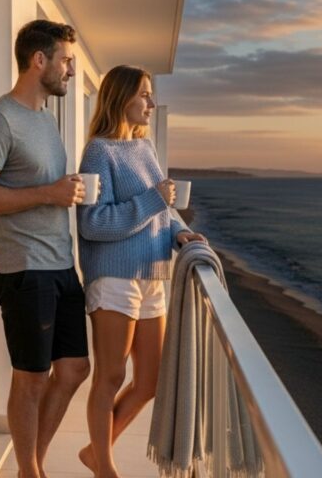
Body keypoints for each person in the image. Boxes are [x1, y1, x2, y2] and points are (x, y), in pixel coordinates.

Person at [0, 19, 91, 478]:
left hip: (59, 261)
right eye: (66, 61)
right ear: (40, 60)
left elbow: (46, 186)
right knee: (32, 375)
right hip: (22, 266)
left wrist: (62, 192)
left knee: (74, 369)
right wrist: (47, 194)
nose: (70, 71)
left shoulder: (44, 120)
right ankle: (30, 470)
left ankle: (27, 466)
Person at [75, 65, 206, 478]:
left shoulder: (145, 149)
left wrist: (182, 234)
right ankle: (105, 467)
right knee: (111, 376)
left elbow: (164, 213)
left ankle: (95, 452)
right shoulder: (99, 150)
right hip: (114, 276)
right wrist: (153, 201)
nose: (151, 103)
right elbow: (92, 223)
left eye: (151, 95)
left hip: (154, 275)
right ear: (121, 98)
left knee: (149, 381)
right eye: (144, 95)